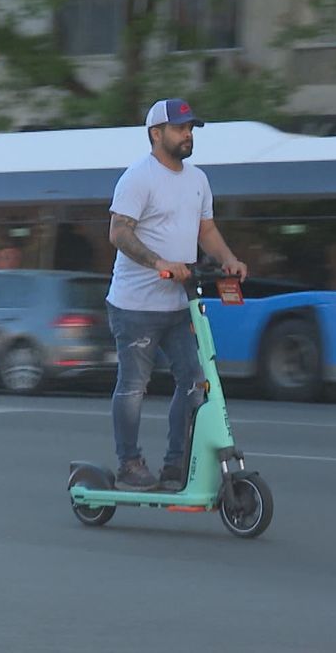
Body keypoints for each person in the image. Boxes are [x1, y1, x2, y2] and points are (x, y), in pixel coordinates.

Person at [105, 98, 248, 491]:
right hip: (135, 305)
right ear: (156, 134)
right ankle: (129, 464)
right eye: (181, 128)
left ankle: (175, 463)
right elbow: (119, 231)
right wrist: (157, 262)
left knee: (194, 380)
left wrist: (230, 259)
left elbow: (207, 231)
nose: (188, 135)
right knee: (134, 385)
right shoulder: (139, 177)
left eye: (191, 129)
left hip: (177, 303)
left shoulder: (197, 179)